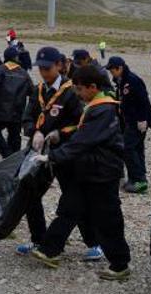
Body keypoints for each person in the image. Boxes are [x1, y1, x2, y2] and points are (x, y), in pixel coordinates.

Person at [30, 65, 131, 281]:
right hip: (86, 169)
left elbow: (84, 141)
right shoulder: (94, 106)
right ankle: (49, 250)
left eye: (80, 89)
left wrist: (53, 156)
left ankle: (120, 264)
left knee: (107, 217)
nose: (78, 94)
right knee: (69, 207)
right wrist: (60, 134)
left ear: (92, 87)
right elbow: (81, 133)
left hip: (103, 173)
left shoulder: (104, 109)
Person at [17, 47, 97, 260]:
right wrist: (34, 132)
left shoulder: (72, 91)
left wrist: (58, 133)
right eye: (40, 68)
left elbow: (80, 122)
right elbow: (27, 117)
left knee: (72, 196)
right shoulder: (39, 90)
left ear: (60, 66)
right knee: (30, 193)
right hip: (38, 151)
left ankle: (94, 242)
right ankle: (38, 239)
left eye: (47, 68)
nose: (43, 72)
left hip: (65, 152)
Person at [106, 57, 151, 194]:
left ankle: (139, 181)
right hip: (129, 120)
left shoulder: (132, 80)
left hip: (137, 121)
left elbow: (143, 100)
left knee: (128, 148)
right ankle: (139, 178)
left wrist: (143, 119)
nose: (111, 73)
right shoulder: (121, 81)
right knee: (137, 148)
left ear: (119, 68)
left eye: (112, 70)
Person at [0, 46, 33, 158]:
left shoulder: (0, 69)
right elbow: (31, 91)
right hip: (18, 111)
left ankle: (6, 154)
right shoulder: (24, 73)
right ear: (16, 57)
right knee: (14, 134)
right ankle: (14, 158)